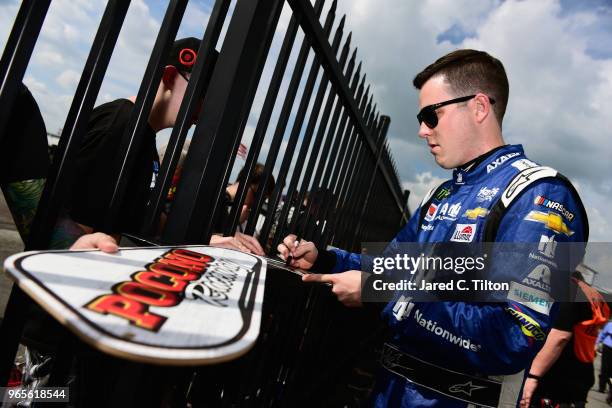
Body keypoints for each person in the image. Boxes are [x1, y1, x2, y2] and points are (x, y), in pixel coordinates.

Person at [278, 49, 588, 407]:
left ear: (478, 107)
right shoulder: (446, 193)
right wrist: (325, 259)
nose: (422, 130)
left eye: (431, 115)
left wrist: (389, 296)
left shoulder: (539, 195)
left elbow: (513, 335)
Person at [64, 37, 262, 255]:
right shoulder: (119, 125)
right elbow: (72, 225)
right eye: (203, 96)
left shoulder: (143, 136)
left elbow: (144, 218)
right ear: (168, 77)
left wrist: (207, 238)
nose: (206, 111)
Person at [520, 273, 609, 407]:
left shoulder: (570, 293)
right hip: (581, 378)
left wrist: (533, 377)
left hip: (556, 382)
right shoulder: (592, 297)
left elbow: (559, 337)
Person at [597, 319, 612, 393]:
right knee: (605, 368)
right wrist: (597, 344)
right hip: (608, 348)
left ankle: (610, 388)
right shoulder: (610, 324)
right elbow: (602, 334)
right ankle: (602, 387)